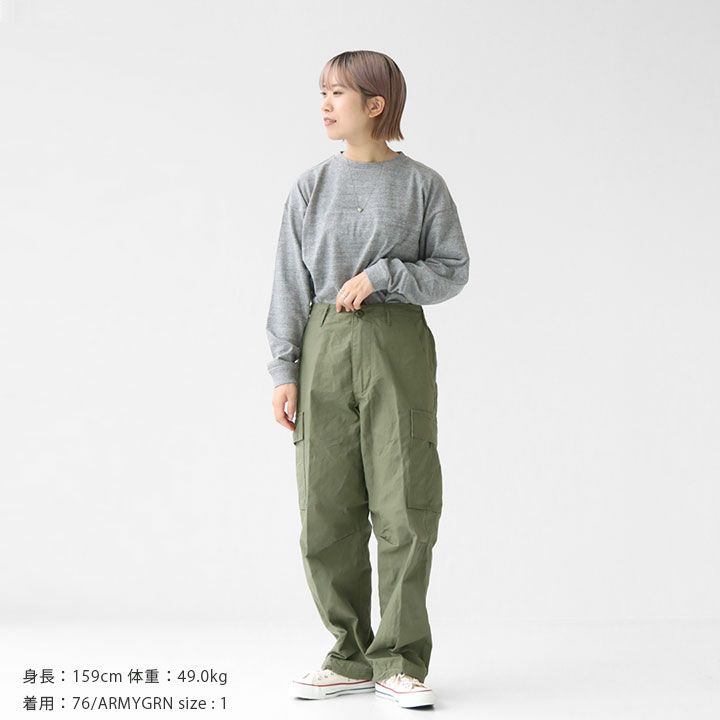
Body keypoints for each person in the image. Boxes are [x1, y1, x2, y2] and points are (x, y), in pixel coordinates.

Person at [265, 50, 470, 709]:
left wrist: (385, 275)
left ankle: (400, 660)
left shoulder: (422, 186)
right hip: (323, 342)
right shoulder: (311, 186)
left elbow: (453, 269)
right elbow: (289, 284)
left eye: (338, 93)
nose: (325, 105)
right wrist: (284, 369)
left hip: (395, 341)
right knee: (325, 505)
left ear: (375, 105)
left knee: (405, 500)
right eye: (322, 93)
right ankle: (348, 655)